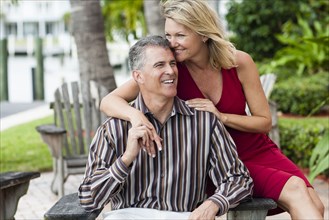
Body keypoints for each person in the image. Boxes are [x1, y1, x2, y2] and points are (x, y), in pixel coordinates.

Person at [99, 0, 325, 219]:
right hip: (216, 161)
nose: (172, 42)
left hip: (256, 150)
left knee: (315, 203)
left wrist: (221, 116)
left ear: (203, 33)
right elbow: (109, 101)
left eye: (180, 35)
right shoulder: (172, 72)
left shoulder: (238, 63)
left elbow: (264, 122)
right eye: (169, 35)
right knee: (297, 190)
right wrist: (136, 117)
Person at [79, 35, 253, 219]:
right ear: (138, 76)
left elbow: (239, 179)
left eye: (172, 63)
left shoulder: (205, 122)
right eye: (159, 65)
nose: (170, 71)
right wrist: (126, 159)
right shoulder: (113, 130)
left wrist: (214, 203)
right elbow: (88, 199)